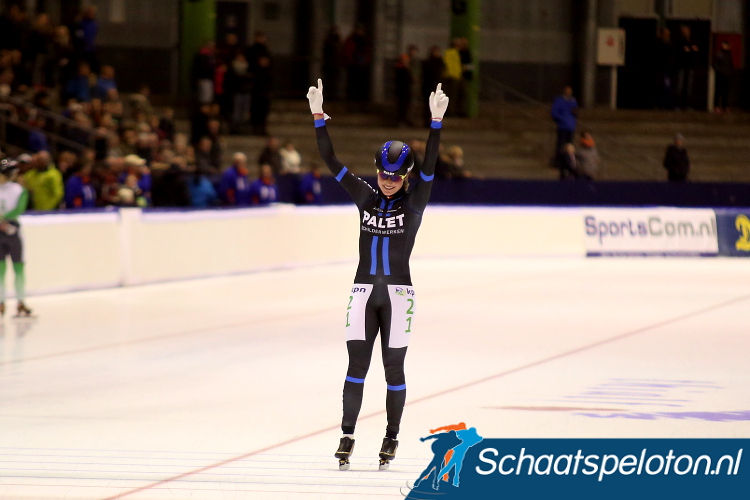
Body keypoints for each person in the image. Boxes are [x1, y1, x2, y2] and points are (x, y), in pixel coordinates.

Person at [307, 78, 449, 470]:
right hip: (363, 293)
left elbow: (432, 164)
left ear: (406, 176)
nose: (387, 183)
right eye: (383, 175)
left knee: (393, 368)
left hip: (399, 295)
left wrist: (436, 123)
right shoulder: (365, 197)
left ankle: (391, 436)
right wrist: (319, 117)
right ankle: (348, 434)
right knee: (355, 367)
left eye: (395, 177)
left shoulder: (417, 201)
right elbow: (332, 162)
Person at [0, 158, 32, 317]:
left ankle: (20, 301)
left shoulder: (19, 190)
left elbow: (19, 208)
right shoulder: (18, 189)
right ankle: (1, 301)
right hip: (3, 231)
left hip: (12, 232)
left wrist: (3, 219)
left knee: (18, 268)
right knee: (1, 270)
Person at [551, 86, 578, 157]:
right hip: (563, 126)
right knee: (561, 145)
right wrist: (563, 120)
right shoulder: (559, 101)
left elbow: (575, 112)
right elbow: (554, 113)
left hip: (571, 126)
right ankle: (559, 160)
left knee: (570, 145)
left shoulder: (573, 100)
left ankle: (569, 160)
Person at [712, 40, 735, 113]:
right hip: (720, 75)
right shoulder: (719, 54)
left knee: (726, 92)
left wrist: (730, 72)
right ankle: (717, 106)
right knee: (718, 92)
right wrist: (720, 71)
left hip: (727, 75)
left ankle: (725, 106)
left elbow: (730, 64)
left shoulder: (728, 54)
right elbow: (715, 64)